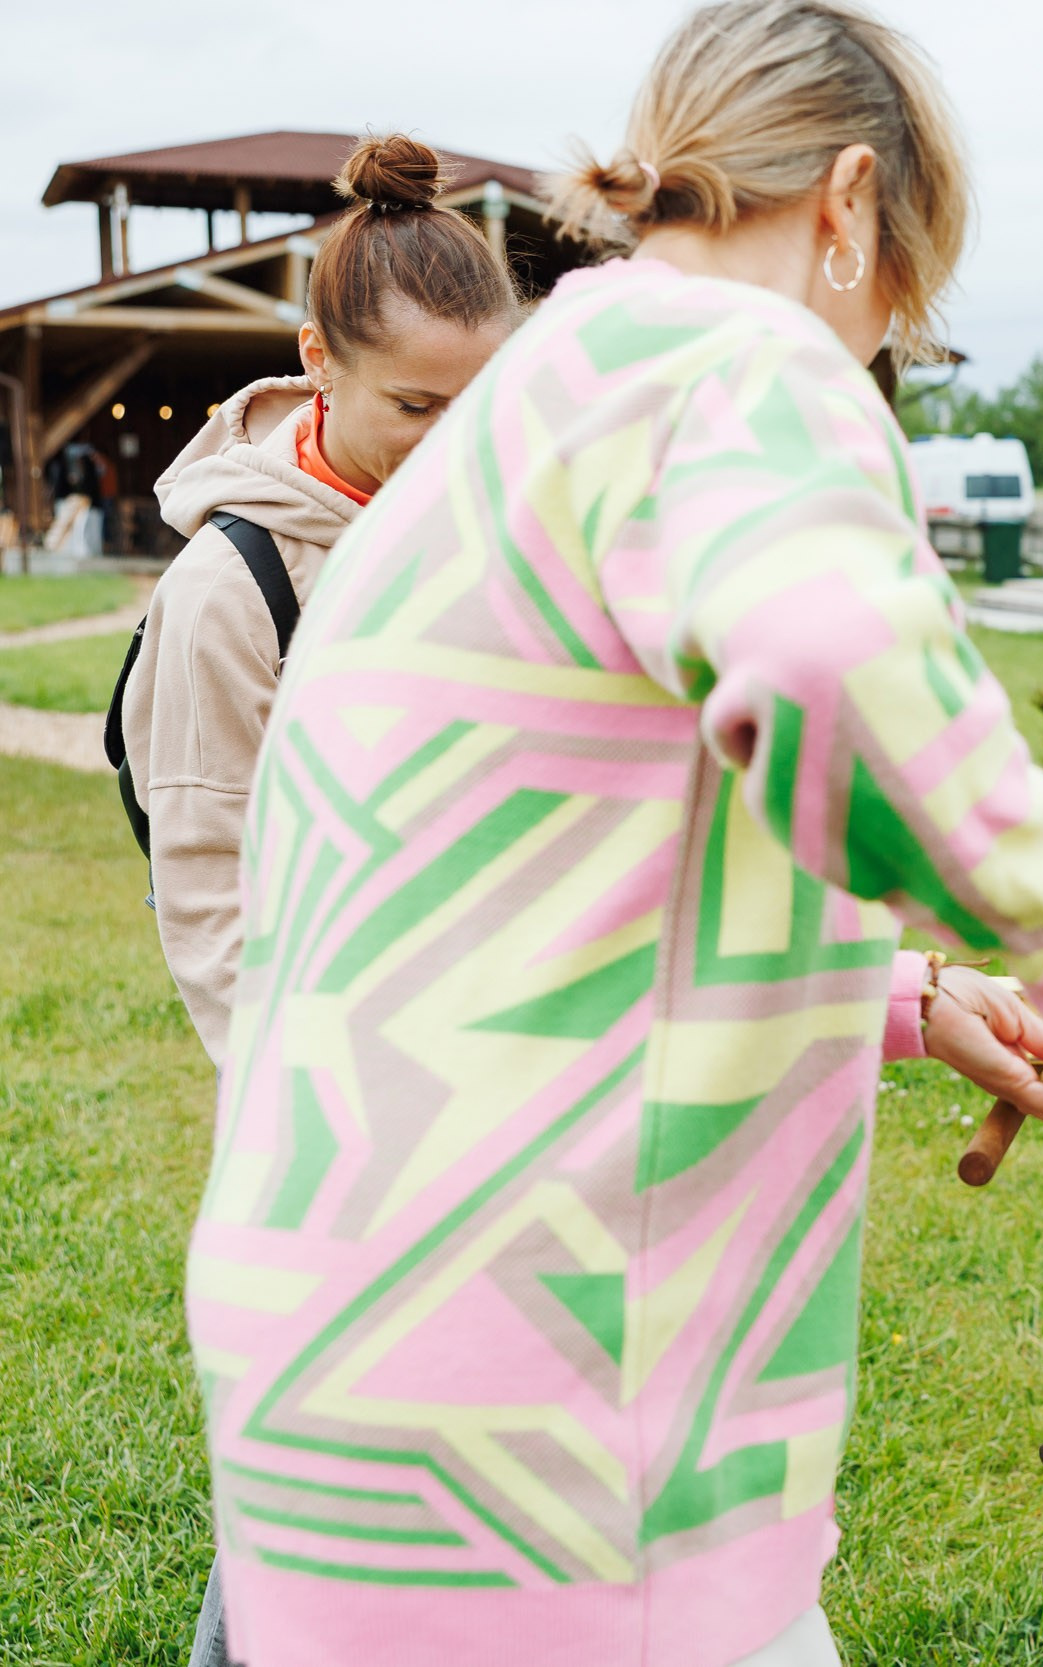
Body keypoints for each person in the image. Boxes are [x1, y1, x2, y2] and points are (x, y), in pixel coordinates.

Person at [187, 8, 1043, 1665]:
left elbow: (533, 881)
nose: (873, 354)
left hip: (344, 1378)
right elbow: (827, 664)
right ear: (852, 205)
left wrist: (890, 999)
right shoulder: (736, 361)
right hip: (564, 1428)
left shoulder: (513, 424)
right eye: (900, 308)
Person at [114, 132, 523, 1667]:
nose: (448, 443)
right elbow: (207, 900)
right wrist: (333, 1113)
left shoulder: (487, 535)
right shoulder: (236, 589)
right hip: (330, 1113)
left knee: (458, 1468)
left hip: (496, 1079)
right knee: (314, 1471)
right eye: (416, 406)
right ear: (314, 362)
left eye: (478, 408)